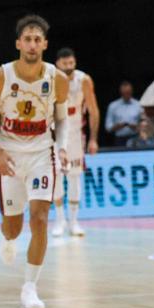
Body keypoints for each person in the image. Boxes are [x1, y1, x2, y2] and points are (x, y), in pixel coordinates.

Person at [0, 15, 70, 308]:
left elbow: (62, 117)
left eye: (37, 39)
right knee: (13, 228)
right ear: (18, 43)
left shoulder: (57, 78)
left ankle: (30, 288)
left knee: (40, 217)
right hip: (11, 155)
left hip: (43, 152)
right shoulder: (0, 76)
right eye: (27, 39)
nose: (32, 44)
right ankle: (8, 237)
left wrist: (62, 147)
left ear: (45, 44)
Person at [51, 48, 100, 238]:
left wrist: (94, 138)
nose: (69, 67)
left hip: (76, 133)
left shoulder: (84, 80)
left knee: (74, 177)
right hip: (55, 131)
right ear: (58, 64)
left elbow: (94, 110)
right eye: (65, 64)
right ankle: (59, 220)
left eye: (72, 63)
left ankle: (74, 221)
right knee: (56, 175)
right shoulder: (50, 78)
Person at [105, 81, 143, 146]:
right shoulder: (113, 106)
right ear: (121, 93)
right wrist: (117, 126)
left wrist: (136, 127)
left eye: (128, 93)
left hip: (135, 138)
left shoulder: (139, 105)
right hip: (119, 140)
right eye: (124, 93)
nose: (126, 95)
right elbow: (108, 127)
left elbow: (145, 123)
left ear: (131, 92)